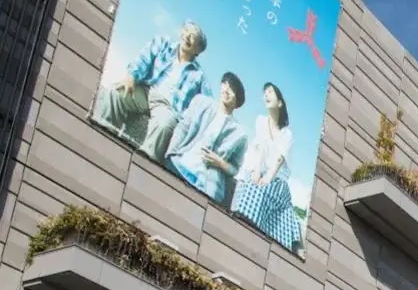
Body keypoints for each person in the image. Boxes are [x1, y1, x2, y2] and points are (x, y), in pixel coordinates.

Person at [95, 21, 209, 160]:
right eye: (186, 32)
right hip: (145, 91)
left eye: (193, 37)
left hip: (168, 108)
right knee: (116, 93)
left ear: (198, 50)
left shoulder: (199, 76)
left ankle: (143, 161)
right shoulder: (163, 43)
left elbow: (206, 107)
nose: (187, 37)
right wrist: (131, 76)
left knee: (165, 125)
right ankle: (103, 133)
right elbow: (143, 59)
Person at [230, 83, 302, 253]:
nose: (266, 95)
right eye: (265, 93)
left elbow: (279, 159)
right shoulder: (261, 121)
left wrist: (268, 177)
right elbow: (261, 148)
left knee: (267, 191)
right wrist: (257, 172)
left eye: (270, 92)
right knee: (252, 186)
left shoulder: (287, 134)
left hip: (276, 179)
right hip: (257, 170)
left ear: (280, 103)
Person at [164, 72, 249, 207]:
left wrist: (220, 163)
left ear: (238, 100)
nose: (226, 89)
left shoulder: (240, 135)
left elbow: (235, 169)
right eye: (224, 84)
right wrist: (171, 153)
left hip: (205, 186)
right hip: (179, 165)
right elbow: (183, 128)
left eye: (231, 88)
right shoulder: (201, 102)